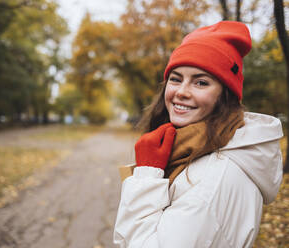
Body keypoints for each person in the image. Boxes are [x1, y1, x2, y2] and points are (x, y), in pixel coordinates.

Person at [113, 21, 283, 248]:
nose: (181, 92)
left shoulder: (211, 179)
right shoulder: (202, 147)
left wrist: (146, 175)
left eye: (201, 82)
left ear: (225, 95)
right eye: (176, 78)